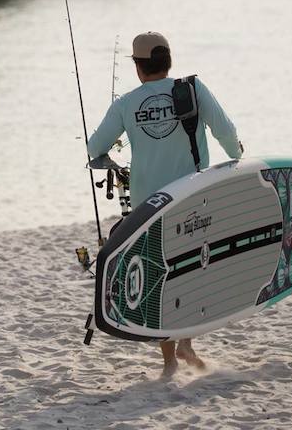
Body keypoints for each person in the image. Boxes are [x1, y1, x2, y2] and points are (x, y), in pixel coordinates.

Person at [86, 30, 244, 377]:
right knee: (196, 266)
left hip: (149, 207)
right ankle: (186, 341)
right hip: (193, 196)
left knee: (161, 272)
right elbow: (225, 131)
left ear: (139, 67)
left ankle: (171, 358)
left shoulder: (126, 103)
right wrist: (238, 158)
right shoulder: (192, 90)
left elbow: (94, 146)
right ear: (168, 60)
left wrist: (108, 158)